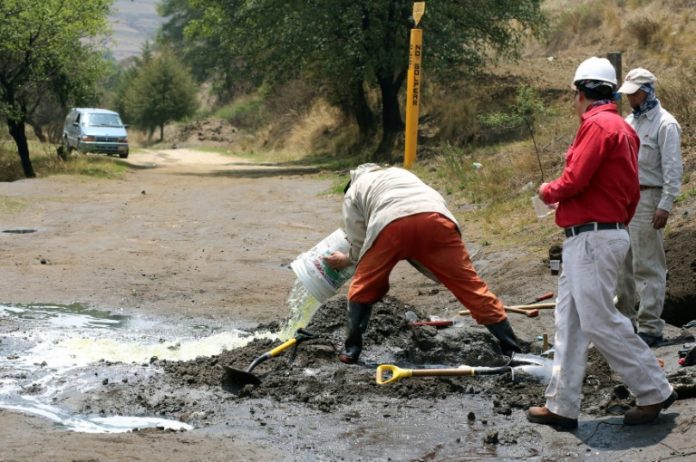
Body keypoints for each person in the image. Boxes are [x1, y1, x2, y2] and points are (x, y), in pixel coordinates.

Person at [526, 57, 676, 429]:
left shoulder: (599, 126)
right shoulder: (620, 127)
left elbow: (574, 179)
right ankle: (562, 405)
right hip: (596, 234)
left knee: (598, 320)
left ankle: (654, 388)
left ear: (581, 92)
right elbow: (623, 192)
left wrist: (548, 191)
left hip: (592, 237)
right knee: (571, 322)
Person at [323, 163, 521, 364]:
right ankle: (512, 348)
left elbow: (358, 240)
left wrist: (347, 259)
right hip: (436, 220)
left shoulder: (353, 191)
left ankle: (351, 350)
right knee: (471, 286)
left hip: (390, 224)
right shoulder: (399, 173)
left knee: (363, 286)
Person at [615, 68, 683, 347]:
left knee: (647, 265)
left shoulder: (665, 124)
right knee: (622, 263)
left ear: (647, 91)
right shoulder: (629, 121)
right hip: (625, 199)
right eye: (628, 93)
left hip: (648, 198)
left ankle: (651, 327)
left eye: (635, 93)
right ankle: (624, 320)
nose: (630, 98)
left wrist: (665, 205)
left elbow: (673, 169)